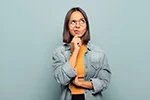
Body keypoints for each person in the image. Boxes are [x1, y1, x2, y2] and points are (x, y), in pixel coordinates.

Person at [52, 7, 111, 100]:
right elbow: (61, 78)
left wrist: (80, 83)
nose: (77, 25)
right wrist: (75, 51)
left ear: (87, 25)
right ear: (67, 26)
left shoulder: (98, 53)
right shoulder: (59, 52)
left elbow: (104, 82)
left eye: (81, 21)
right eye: (73, 22)